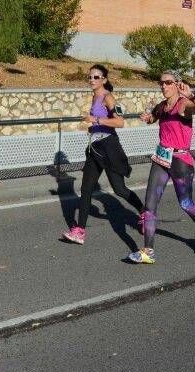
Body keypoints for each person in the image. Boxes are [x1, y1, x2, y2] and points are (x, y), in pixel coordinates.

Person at [129, 70, 195, 264]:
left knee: (185, 203)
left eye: (168, 83)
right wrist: (147, 118)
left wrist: (192, 95)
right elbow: (153, 118)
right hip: (161, 158)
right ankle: (148, 251)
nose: (164, 86)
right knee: (149, 206)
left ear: (177, 84)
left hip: (181, 160)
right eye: (161, 83)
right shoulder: (162, 106)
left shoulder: (183, 104)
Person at [61, 65, 144, 244]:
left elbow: (120, 122)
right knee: (86, 189)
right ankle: (79, 231)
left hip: (109, 148)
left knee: (119, 189)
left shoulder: (108, 97)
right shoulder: (94, 96)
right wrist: (93, 126)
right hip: (95, 148)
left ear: (104, 79)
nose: (92, 80)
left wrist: (96, 120)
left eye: (96, 77)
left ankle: (145, 213)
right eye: (90, 77)